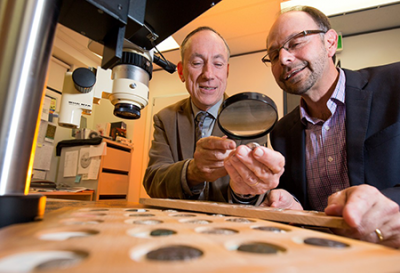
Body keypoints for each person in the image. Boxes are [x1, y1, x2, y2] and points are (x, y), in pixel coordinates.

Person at [224, 6, 400, 248]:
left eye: (295, 43)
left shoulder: (395, 84)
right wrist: (287, 203)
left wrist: (390, 204)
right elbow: (297, 207)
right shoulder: (282, 132)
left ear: (330, 42)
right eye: (274, 55)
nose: (284, 59)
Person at [143, 26, 267, 204]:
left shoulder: (253, 118)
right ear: (181, 72)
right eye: (196, 63)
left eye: (218, 64)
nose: (208, 74)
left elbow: (259, 192)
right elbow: (153, 181)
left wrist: (246, 189)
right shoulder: (165, 119)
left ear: (227, 71)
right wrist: (191, 172)